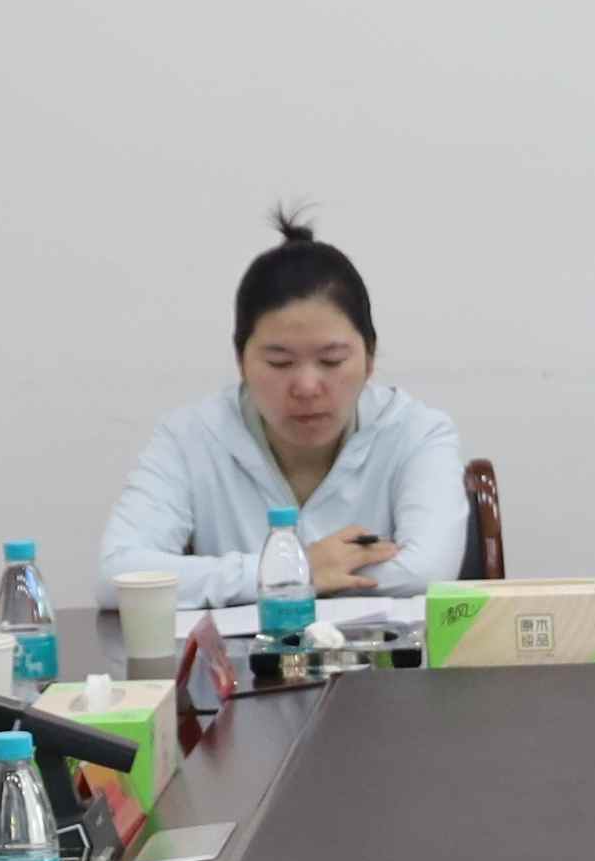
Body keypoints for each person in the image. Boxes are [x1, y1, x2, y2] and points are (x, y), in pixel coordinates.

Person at [96, 208, 475, 613]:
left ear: (369, 358)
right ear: (241, 362)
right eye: (280, 363)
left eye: (331, 360)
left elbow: (427, 571)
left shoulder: (417, 431)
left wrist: (277, 579)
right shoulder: (190, 436)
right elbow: (116, 577)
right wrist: (302, 568)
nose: (307, 387)